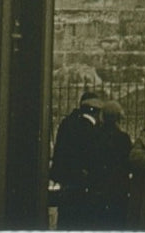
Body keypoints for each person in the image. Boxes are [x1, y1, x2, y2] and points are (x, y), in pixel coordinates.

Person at [50, 90, 103, 228]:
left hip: (67, 182)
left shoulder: (67, 123)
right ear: (96, 111)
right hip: (84, 185)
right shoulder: (92, 130)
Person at [88, 99, 132, 228]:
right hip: (118, 186)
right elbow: (128, 162)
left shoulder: (95, 135)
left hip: (98, 184)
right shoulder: (123, 138)